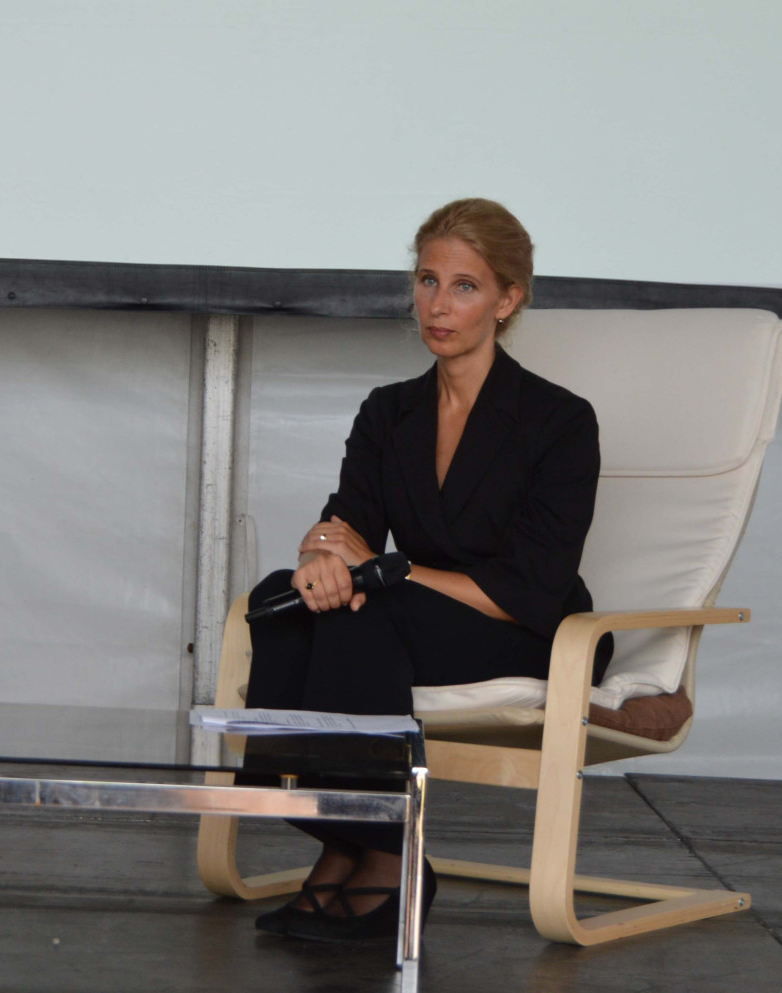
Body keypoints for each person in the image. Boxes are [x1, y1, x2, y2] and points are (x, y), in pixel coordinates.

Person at [246, 198, 613, 942]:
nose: (437, 306)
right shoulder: (390, 411)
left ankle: (389, 853)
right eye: (426, 281)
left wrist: (381, 572)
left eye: (465, 287)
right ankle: (336, 838)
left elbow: (532, 585)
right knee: (280, 598)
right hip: (408, 614)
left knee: (366, 609)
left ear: (508, 300)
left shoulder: (559, 420)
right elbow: (344, 522)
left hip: (530, 625)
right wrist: (319, 560)